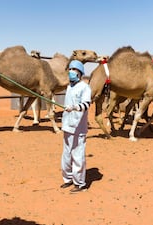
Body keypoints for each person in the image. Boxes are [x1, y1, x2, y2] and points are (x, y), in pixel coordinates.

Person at [60, 60, 91, 193]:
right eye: (70, 69)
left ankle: (80, 184)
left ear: (80, 73)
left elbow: (87, 104)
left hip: (79, 127)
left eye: (74, 69)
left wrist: (74, 107)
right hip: (67, 125)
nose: (71, 72)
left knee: (77, 154)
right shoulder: (69, 87)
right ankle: (68, 179)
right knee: (66, 154)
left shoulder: (85, 87)